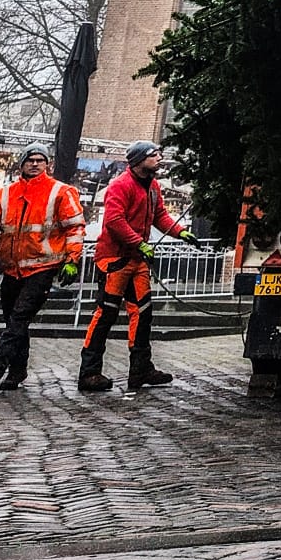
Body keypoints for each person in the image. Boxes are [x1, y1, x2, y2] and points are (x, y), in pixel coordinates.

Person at [77, 141, 205, 393]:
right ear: (138, 160)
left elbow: (160, 216)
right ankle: (89, 372)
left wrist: (181, 232)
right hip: (115, 260)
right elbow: (114, 221)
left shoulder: (153, 186)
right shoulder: (120, 185)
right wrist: (139, 243)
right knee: (106, 314)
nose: (159, 158)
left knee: (143, 313)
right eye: (153, 155)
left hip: (137, 261)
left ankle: (141, 369)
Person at [0, 144, 86, 396]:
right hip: (11, 269)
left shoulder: (61, 192)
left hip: (42, 267)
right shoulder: (4, 195)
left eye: (39, 160)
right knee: (13, 320)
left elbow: (75, 228)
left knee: (19, 318)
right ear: (22, 163)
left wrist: (71, 260)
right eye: (30, 160)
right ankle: (18, 370)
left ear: (47, 164)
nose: (34, 164)